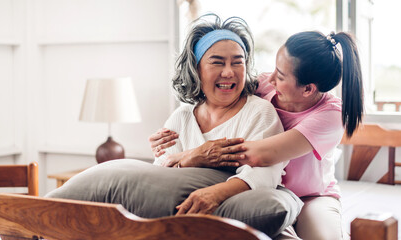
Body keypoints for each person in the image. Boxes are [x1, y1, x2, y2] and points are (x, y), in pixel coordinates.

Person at [47, 14, 303, 238]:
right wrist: (191, 159)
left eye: (238, 62)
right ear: (196, 68)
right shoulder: (181, 118)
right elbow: (158, 180)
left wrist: (213, 194)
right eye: (217, 62)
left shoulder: (259, 112)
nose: (229, 72)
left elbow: (264, 174)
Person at [150, 30, 363, 240]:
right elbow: (220, 103)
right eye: (274, 69)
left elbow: (262, 154)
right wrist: (166, 146)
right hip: (262, 193)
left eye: (280, 76)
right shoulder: (262, 86)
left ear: (308, 89)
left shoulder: (330, 116)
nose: (269, 78)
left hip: (310, 197)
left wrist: (190, 155)